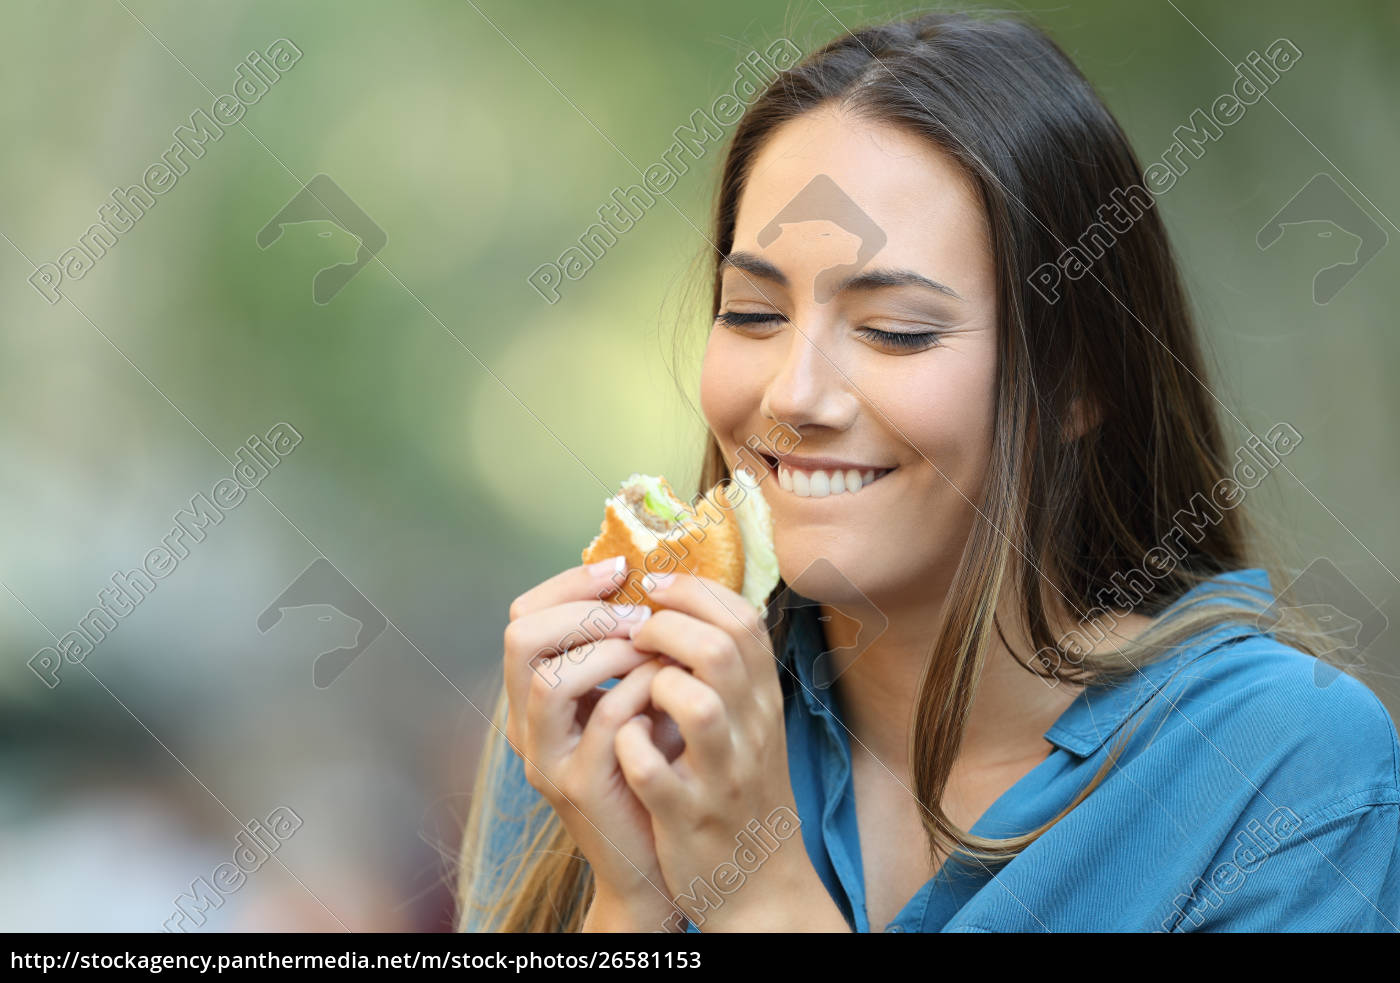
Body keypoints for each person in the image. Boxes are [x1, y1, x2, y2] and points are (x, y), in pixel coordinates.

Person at [457, 10, 1400, 932]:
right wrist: (632, 899)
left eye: (896, 331)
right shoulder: (595, 716)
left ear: (1078, 383)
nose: (796, 393)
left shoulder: (1289, 768)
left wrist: (758, 898)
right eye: (751, 313)